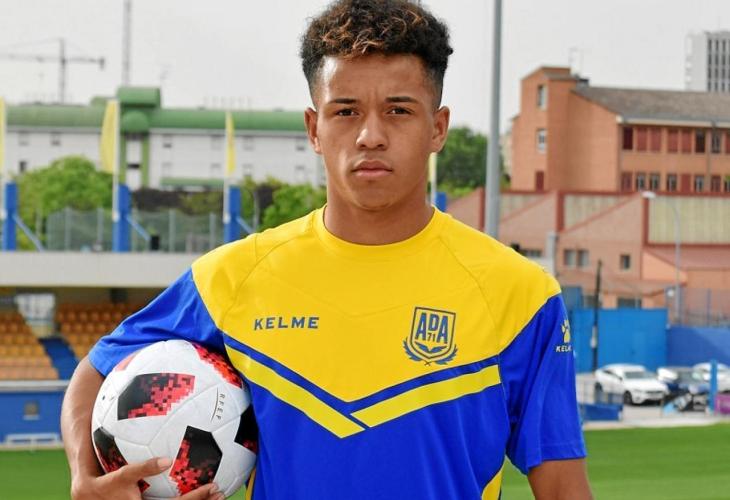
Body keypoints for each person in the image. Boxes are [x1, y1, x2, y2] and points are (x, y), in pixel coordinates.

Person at [62, 1, 592, 498]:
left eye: (399, 110)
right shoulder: (233, 278)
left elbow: (564, 487)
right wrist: (85, 475)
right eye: (346, 111)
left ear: (438, 128)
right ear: (314, 129)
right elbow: (97, 369)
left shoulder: (520, 295)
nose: (370, 135)